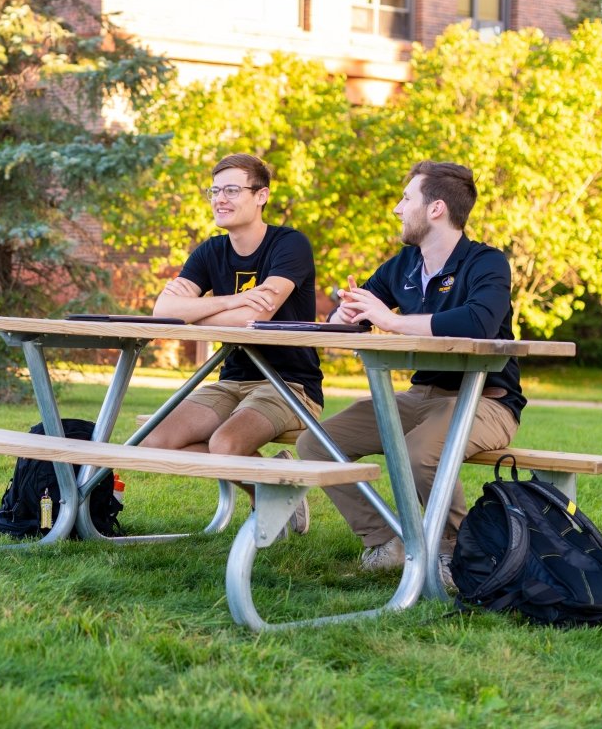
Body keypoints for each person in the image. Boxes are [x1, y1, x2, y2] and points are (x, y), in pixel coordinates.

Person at [295, 160, 523, 586]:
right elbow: (360, 312)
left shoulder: (487, 263)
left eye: (405, 199)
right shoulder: (403, 265)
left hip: (486, 401)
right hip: (418, 398)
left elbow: (478, 323)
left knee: (421, 454)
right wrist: (346, 314)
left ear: (436, 208)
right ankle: (385, 543)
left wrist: (393, 321)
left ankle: (455, 553)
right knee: (316, 443)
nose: (398, 209)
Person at [143, 153, 324, 537]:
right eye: (214, 191)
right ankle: (273, 484)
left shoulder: (289, 244)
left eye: (231, 190)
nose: (219, 199)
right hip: (232, 380)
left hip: (288, 385)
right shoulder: (211, 251)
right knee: (152, 440)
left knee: (224, 444)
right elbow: (164, 310)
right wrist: (230, 300)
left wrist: (195, 310)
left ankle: (268, 487)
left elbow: (260, 314)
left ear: (261, 196)